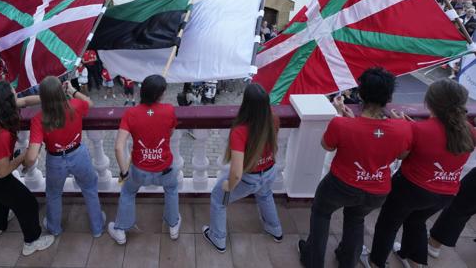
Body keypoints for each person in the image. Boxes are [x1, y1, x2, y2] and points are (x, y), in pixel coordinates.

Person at [298, 67, 413, 268]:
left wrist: (339, 116)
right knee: (355, 220)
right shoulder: (402, 128)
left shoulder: (342, 125)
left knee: (321, 213)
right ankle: (347, 261)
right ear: (388, 97)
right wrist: (397, 126)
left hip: (340, 185)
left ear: (360, 94)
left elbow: (327, 145)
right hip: (377, 190)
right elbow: (401, 154)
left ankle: (313, 260)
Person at [367, 80, 476, 268]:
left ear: (429, 102)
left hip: (411, 188)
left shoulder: (417, 130)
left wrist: (401, 127)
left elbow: (401, 155)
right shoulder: (469, 131)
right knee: (417, 220)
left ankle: (377, 262)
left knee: (388, 224)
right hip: (446, 193)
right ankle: (414, 261)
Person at [0, 81, 54, 256]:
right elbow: (2, 172)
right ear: (6, 102)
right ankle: (32, 241)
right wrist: (22, 156)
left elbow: (24, 102)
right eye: (13, 93)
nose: (17, 94)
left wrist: (48, 97)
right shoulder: (0, 135)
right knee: (27, 204)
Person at [203, 83, 282, 253]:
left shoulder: (240, 131)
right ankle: (275, 229)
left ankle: (218, 237)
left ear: (246, 103)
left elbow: (237, 172)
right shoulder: (273, 119)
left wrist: (228, 186)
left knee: (219, 199)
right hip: (269, 172)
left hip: (249, 178)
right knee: (266, 195)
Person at [25, 77, 105, 237]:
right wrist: (73, 91)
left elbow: (32, 155)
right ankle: (97, 227)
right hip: (78, 153)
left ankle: (54, 228)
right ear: (61, 91)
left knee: (54, 194)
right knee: (89, 189)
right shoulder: (75, 105)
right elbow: (89, 103)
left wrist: (26, 164)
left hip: (55, 159)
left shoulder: (38, 119)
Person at [108, 75, 181, 244]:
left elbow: (119, 146)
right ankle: (173, 226)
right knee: (171, 191)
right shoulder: (169, 110)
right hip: (165, 168)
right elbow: (170, 132)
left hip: (139, 169)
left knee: (127, 192)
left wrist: (124, 171)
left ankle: (120, 230)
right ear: (160, 94)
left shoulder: (131, 113)